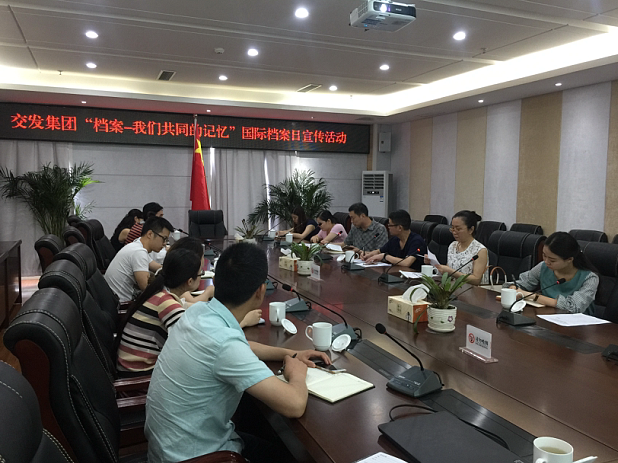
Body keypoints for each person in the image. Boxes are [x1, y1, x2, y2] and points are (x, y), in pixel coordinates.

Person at [145, 243, 330, 463]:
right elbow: (294, 405)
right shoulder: (224, 343)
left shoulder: (198, 312)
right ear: (260, 291)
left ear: (216, 281)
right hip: (197, 457)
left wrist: (291, 353)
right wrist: (297, 373)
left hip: (169, 447)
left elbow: (241, 348)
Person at [116, 248, 202, 377]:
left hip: (130, 368)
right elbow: (188, 346)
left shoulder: (159, 292)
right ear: (190, 281)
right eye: (201, 273)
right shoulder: (167, 303)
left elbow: (185, 309)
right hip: (138, 377)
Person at [168, 237, 262, 328]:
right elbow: (210, 334)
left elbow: (202, 309)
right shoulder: (173, 307)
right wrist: (244, 321)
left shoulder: (173, 296)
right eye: (201, 273)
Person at [509, 232, 598, 314]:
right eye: (544, 255)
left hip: (578, 323)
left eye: (552, 260)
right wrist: (513, 288)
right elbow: (521, 284)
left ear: (569, 259)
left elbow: (573, 307)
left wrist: (533, 296)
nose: (546, 261)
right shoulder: (543, 267)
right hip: (547, 317)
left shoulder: (590, 278)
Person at [104, 216, 173, 303]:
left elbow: (158, 267)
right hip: (122, 304)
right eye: (164, 239)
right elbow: (146, 289)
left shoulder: (137, 245)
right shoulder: (138, 252)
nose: (165, 243)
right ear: (150, 234)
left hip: (114, 299)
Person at [425, 210, 488, 285]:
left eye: (458, 229)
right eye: (452, 228)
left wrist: (452, 272)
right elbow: (448, 270)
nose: (454, 232)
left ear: (471, 229)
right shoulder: (453, 245)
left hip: (472, 290)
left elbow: (476, 279)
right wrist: (432, 263)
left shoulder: (480, 250)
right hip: (452, 287)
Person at [362, 210, 426, 270]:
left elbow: (406, 263)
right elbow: (379, 251)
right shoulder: (394, 239)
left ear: (400, 228)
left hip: (413, 276)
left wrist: (385, 256)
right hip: (396, 273)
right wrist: (368, 255)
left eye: (390, 225)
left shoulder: (416, 241)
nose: (388, 227)